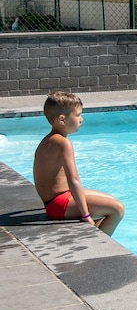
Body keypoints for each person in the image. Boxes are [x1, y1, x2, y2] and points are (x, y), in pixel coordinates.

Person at [33, 91, 125, 236]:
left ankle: (95, 236)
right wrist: (85, 215)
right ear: (62, 119)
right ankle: (97, 244)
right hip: (59, 205)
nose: (81, 119)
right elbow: (73, 180)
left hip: (56, 200)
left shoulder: (48, 140)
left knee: (109, 201)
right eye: (77, 115)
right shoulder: (63, 143)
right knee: (117, 209)